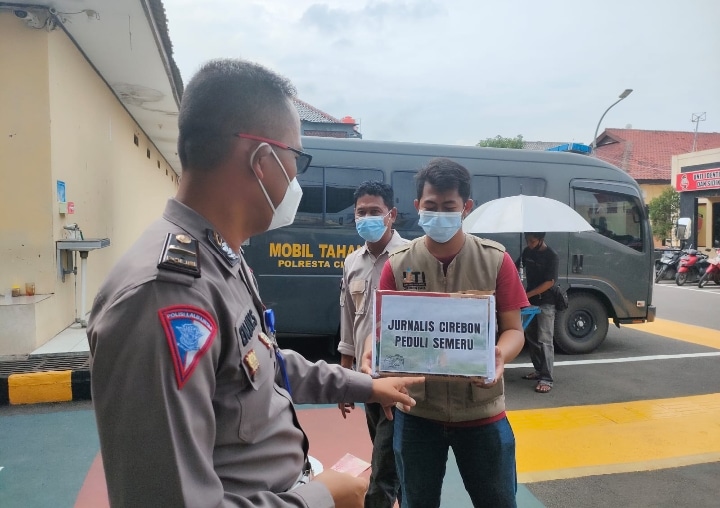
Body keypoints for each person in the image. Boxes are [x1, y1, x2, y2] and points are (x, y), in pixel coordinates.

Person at [88, 58, 423, 508]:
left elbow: (263, 364)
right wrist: (322, 499)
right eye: (297, 159)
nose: (296, 179)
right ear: (264, 161)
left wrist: (365, 385)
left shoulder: (222, 255)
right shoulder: (164, 295)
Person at [365, 158, 529, 508]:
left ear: (466, 207)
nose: (439, 214)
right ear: (417, 207)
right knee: (416, 502)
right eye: (431, 206)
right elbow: (382, 331)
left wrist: (500, 354)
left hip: (482, 412)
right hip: (418, 414)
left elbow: (514, 330)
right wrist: (370, 350)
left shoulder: (496, 261)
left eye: (449, 207)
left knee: (498, 501)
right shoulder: (397, 264)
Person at [338, 181, 408, 508]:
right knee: (394, 459)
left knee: (383, 466)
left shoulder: (411, 256)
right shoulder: (352, 262)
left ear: (391, 215)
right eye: (360, 212)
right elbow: (348, 323)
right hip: (366, 380)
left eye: (374, 212)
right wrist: (344, 380)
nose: (366, 218)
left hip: (397, 378)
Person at [517, 232, 559, 394]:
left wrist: (526, 295)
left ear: (541, 240)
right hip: (530, 301)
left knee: (544, 339)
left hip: (546, 302)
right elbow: (515, 267)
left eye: (533, 241)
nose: (529, 244)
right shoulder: (527, 252)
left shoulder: (551, 256)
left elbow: (549, 282)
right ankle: (539, 370)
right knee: (531, 337)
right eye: (527, 241)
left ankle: (547, 378)